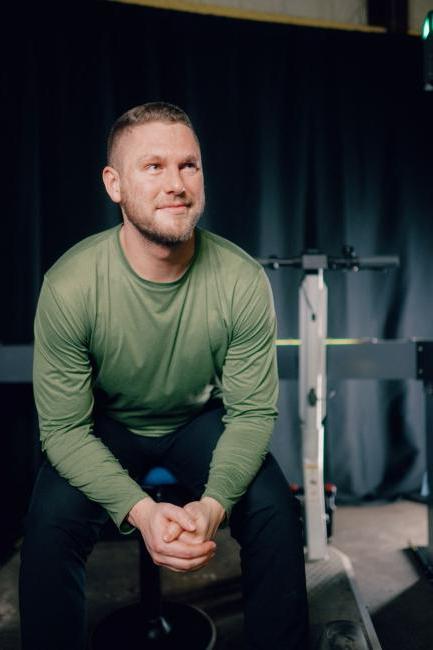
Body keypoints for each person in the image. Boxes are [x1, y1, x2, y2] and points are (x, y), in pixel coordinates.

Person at [19, 101, 309, 649]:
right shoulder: (70, 285)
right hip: (103, 425)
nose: (176, 183)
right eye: (154, 167)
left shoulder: (241, 279)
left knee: (273, 506)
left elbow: (250, 414)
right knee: (49, 522)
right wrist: (144, 513)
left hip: (198, 421)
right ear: (114, 183)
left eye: (188, 165)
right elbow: (62, 431)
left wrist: (214, 501)